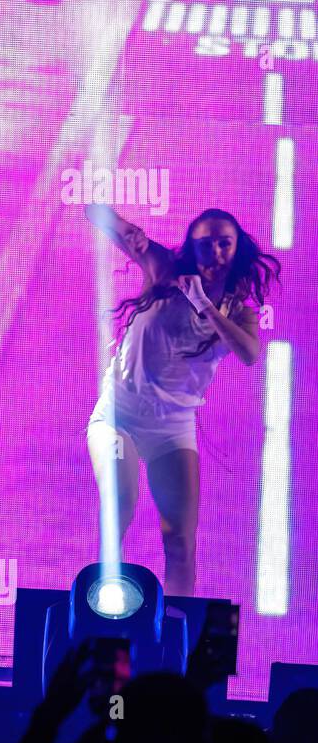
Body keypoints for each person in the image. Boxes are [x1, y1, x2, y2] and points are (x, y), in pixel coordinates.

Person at [85, 205, 279, 594]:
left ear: (236, 249)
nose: (216, 253)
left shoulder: (240, 315)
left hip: (172, 428)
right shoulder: (164, 270)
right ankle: (100, 610)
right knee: (121, 502)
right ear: (192, 247)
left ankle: (178, 635)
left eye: (225, 244)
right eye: (205, 244)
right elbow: (96, 214)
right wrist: (128, 231)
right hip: (118, 417)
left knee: (180, 541)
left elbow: (248, 354)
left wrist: (204, 304)